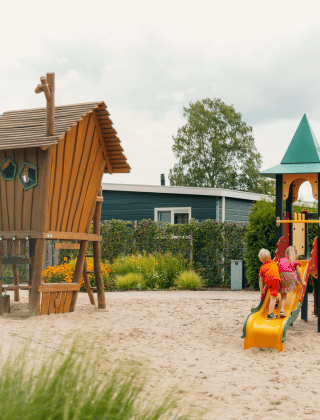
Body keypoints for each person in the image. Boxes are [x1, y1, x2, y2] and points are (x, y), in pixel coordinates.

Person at [278, 246, 306, 318]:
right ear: (295, 254)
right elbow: (299, 273)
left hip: (281, 278)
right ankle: (297, 282)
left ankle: (281, 309)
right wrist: (302, 281)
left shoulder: (281, 260)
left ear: (286, 253)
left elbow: (277, 267)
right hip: (290, 278)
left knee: (283, 296)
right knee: (294, 273)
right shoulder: (294, 262)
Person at [258, 249, 281, 319]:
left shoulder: (262, 267)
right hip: (275, 280)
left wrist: (262, 291)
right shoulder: (274, 263)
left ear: (261, 260)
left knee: (273, 292)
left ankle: (276, 300)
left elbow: (261, 281)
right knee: (272, 297)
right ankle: (270, 314)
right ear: (270, 257)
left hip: (268, 282)